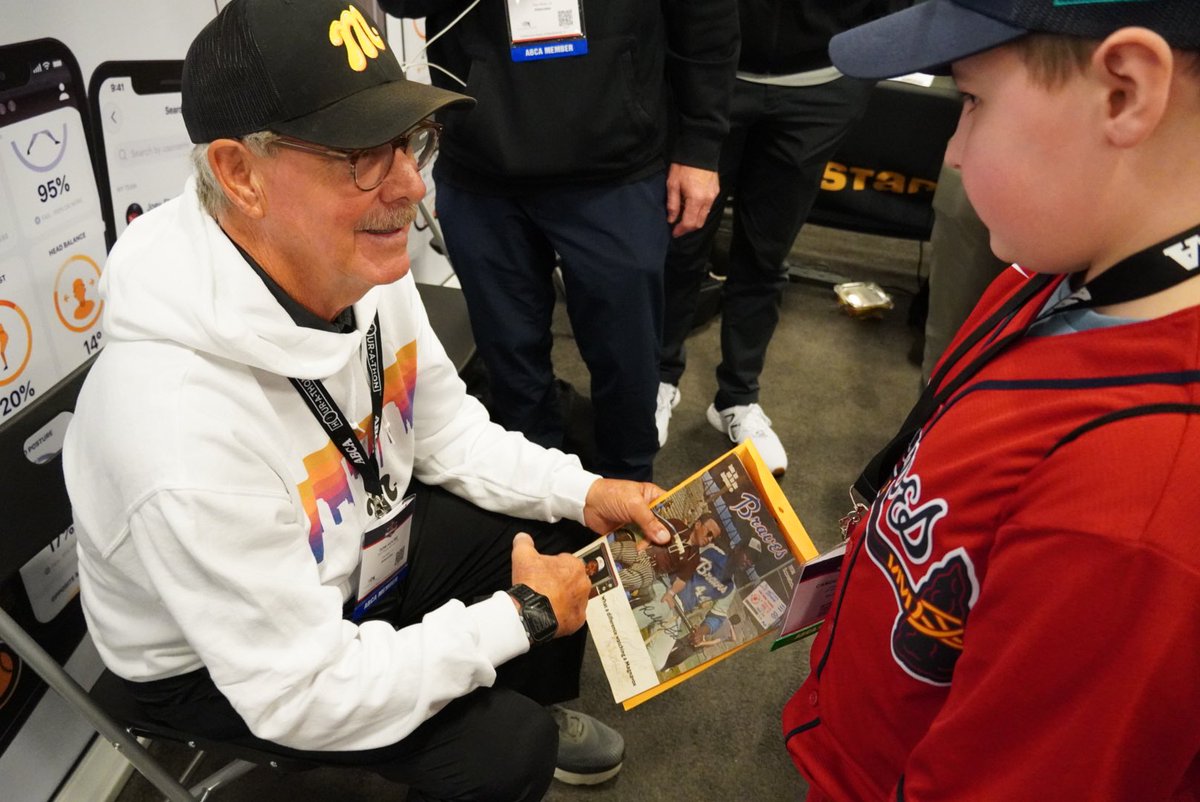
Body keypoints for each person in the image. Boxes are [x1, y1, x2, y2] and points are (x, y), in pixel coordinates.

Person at [61, 2, 672, 800]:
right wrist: (516, 620)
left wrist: (586, 489)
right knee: (499, 751)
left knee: (562, 523)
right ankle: (511, 712)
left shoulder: (356, 268)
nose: (413, 185)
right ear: (239, 174)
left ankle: (525, 696)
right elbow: (298, 690)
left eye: (409, 142)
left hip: (342, 556)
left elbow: (451, 433)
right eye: (362, 154)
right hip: (211, 661)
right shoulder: (175, 425)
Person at [784, 2, 1200, 800]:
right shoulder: (1053, 270)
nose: (955, 151)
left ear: (1124, 92)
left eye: (972, 101)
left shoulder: (1136, 509)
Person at [379, 0, 738, 482]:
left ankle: (629, 495)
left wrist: (701, 145)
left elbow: (707, 19)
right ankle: (534, 501)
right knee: (509, 360)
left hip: (618, 162)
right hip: (484, 160)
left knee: (626, 359)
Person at [655, 0, 910, 476]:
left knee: (766, 254)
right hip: (708, 76)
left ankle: (738, 398)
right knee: (681, 240)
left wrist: (861, 71)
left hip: (821, 85)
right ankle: (660, 376)